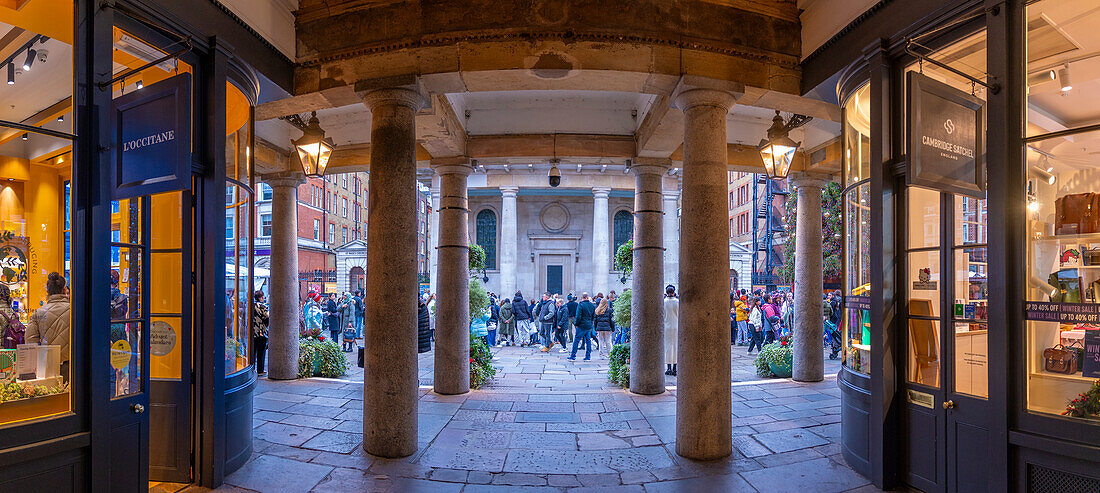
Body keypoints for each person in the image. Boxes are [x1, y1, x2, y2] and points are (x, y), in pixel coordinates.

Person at [26, 272, 71, 384]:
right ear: (65, 290)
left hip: (47, 367)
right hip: (74, 366)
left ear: (47, 291)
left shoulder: (38, 313)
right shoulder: (75, 310)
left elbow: (30, 343)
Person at [568, 293, 596, 361]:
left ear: (581, 297)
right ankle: (588, 356)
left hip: (581, 325)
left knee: (576, 340)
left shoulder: (581, 305)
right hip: (588, 325)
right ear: (588, 297)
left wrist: (576, 324)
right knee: (588, 341)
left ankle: (573, 355)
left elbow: (578, 316)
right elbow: (593, 316)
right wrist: (591, 323)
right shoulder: (592, 305)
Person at [251, 290, 270, 374]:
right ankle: (260, 370)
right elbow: (268, 317)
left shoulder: (251, 306)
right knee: (261, 352)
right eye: (263, 297)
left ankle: (251, 368)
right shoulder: (263, 306)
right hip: (261, 332)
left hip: (252, 332)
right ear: (261, 297)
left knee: (253, 351)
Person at [663, 285, 678, 376]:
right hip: (676, 326)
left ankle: (668, 368)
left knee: (668, 347)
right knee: (676, 346)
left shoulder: (664, 302)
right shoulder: (677, 302)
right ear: (673, 292)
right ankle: (674, 368)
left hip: (667, 326)